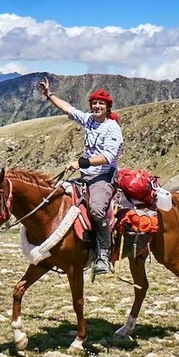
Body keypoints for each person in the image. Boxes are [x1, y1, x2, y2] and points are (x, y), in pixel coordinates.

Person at [37, 76, 124, 275]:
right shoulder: (89, 120)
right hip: (85, 175)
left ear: (107, 107)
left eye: (101, 103)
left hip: (103, 177)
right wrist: (49, 95)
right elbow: (68, 109)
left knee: (96, 209)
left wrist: (81, 163)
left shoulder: (112, 128)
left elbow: (108, 156)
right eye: (94, 103)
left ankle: (103, 253)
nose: (97, 106)